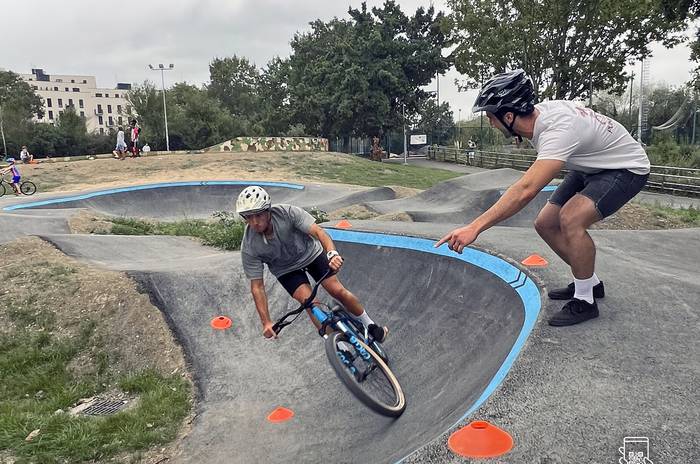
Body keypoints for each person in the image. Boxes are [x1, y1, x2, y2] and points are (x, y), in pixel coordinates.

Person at [435, 69, 650, 327]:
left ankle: (585, 301)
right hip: (590, 165)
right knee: (545, 223)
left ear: (509, 115)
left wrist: (475, 227)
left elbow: (525, 190)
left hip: (625, 169)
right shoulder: (540, 117)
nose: (490, 122)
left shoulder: (557, 131)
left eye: (492, 116)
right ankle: (589, 283)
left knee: (571, 219)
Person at [237, 186, 389, 340]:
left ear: (268, 210)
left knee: (337, 290)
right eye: (248, 217)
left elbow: (319, 232)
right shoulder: (250, 245)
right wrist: (266, 322)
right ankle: (338, 347)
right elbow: (257, 287)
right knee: (310, 304)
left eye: (258, 215)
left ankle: (369, 325)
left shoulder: (287, 213)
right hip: (286, 270)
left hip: (311, 254)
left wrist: (332, 253)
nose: (254, 222)